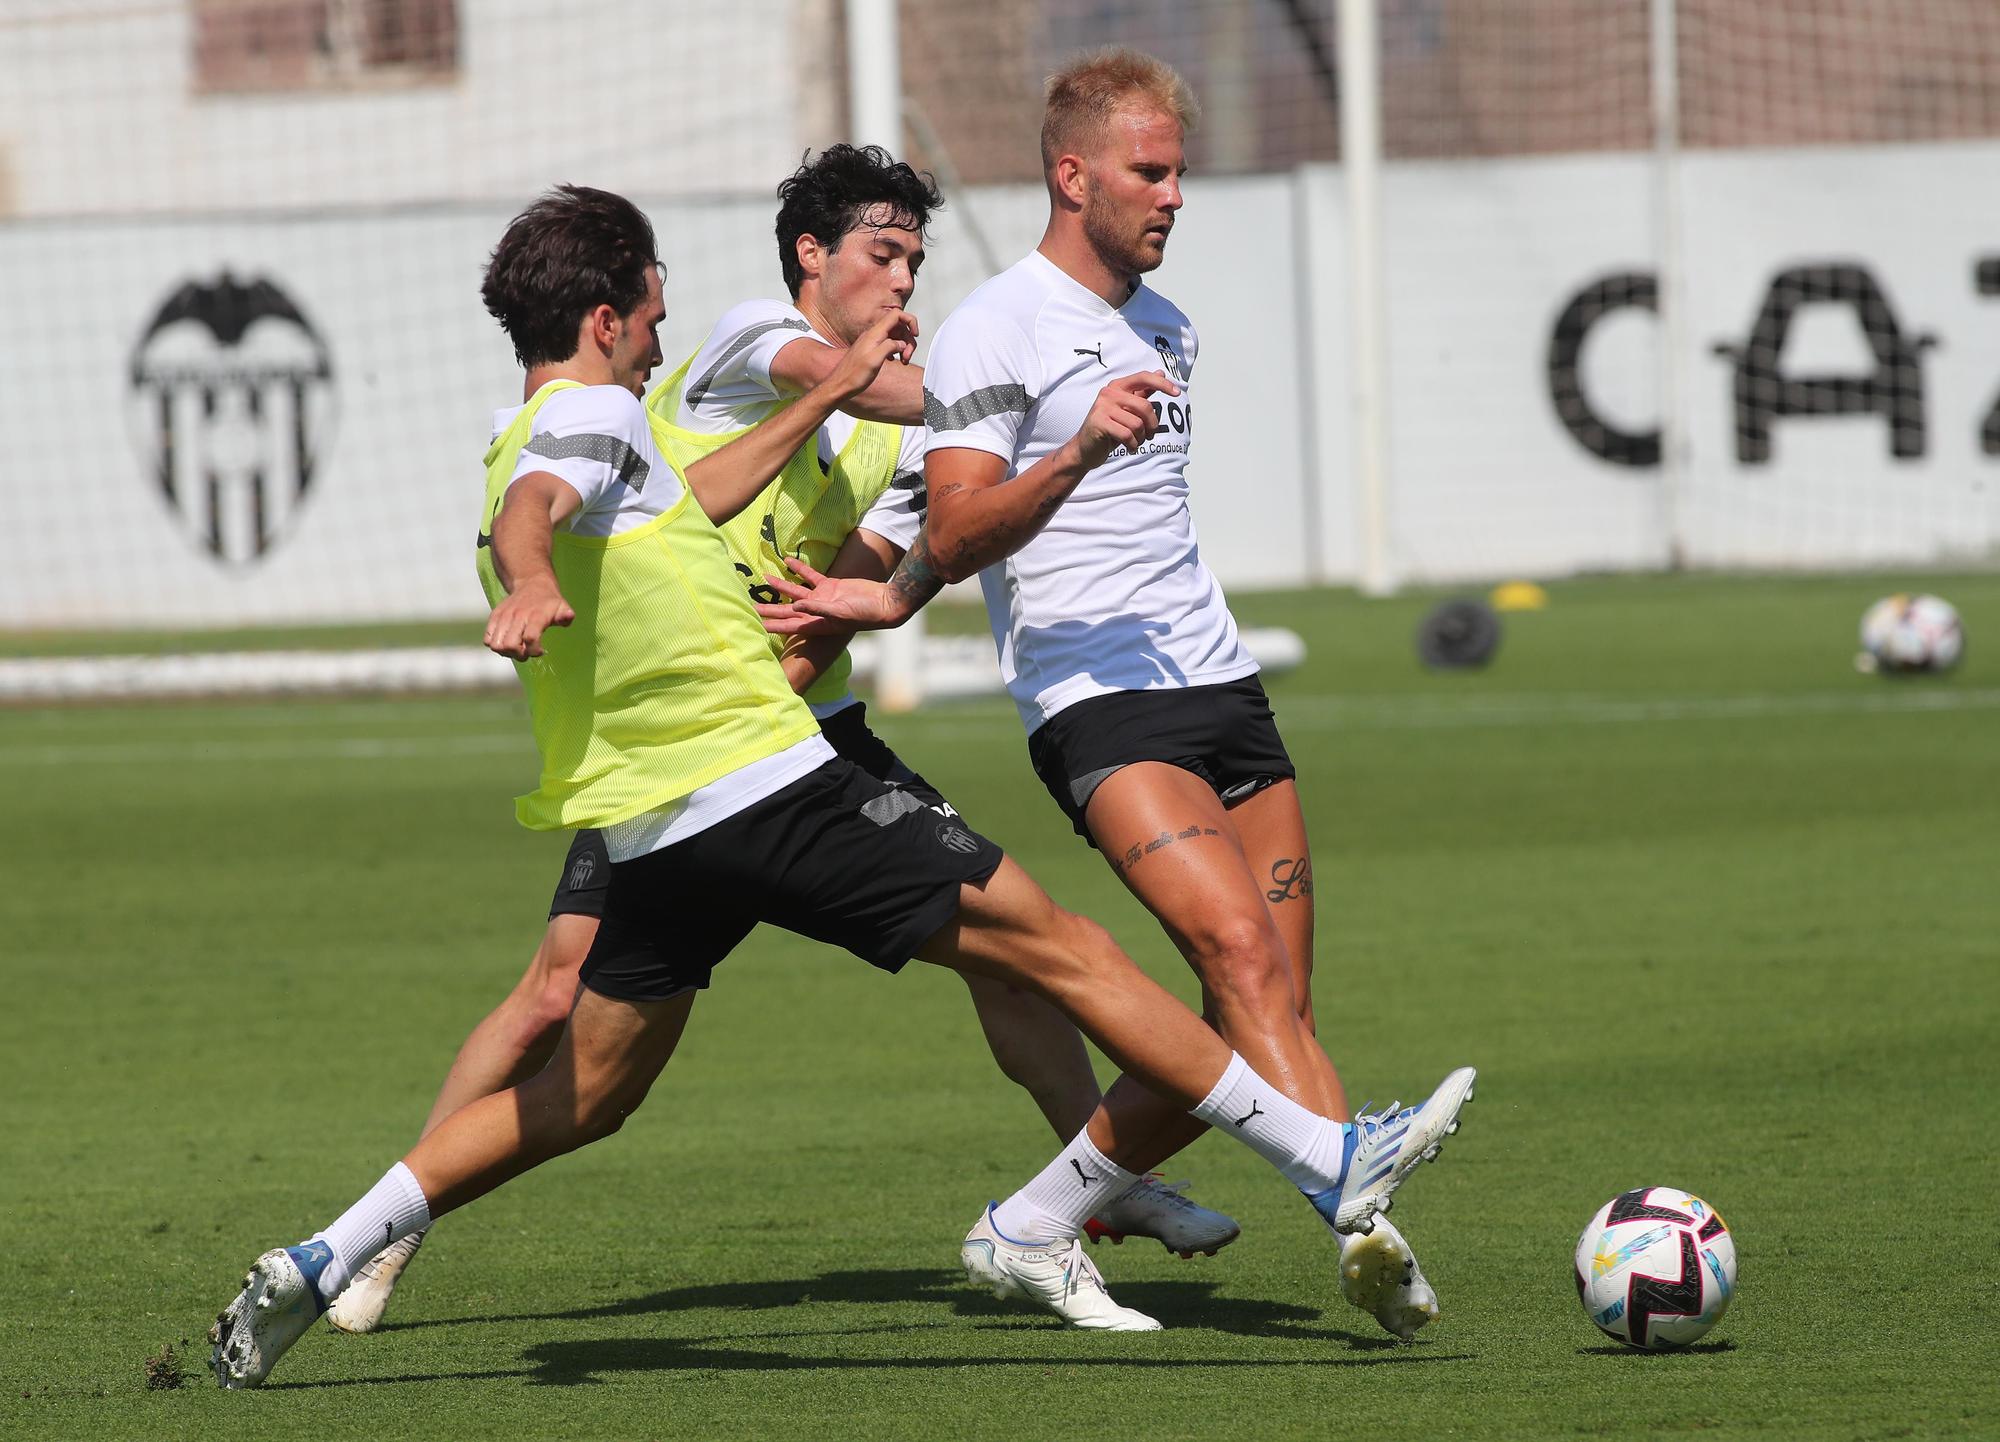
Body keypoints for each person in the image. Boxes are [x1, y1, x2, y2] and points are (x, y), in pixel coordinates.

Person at [208, 184, 1472, 1388]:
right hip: (761, 780)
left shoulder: (532, 433)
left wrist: (831, 404)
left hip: (657, 821)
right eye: (648, 314)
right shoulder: (586, 423)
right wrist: (529, 576)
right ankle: (1318, 1155)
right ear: (606, 321)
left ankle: (320, 1255)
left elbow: (665, 502)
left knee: (583, 1094)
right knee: (1064, 945)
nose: (657, 338)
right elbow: (535, 515)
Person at [322, 147, 1233, 1338]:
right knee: (554, 995)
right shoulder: (756, 339)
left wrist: (973, 466)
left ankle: (1098, 1184)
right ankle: (387, 1238)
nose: (900, 279)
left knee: (1011, 949)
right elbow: (851, 385)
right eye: (877, 254)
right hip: (681, 739)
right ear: (810, 256)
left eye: (913, 258)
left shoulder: (902, 423)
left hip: (801, 736)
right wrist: (1027, 382)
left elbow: (869, 572)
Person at [758, 48, 1453, 1340]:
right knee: (1236, 957)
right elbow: (961, 522)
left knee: (1265, 1007)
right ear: (1073, 175)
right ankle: (1359, 1205)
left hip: (1224, 686)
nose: (1174, 195)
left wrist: (891, 596)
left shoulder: (1168, 327)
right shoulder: (997, 326)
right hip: (1097, 703)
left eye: (1179, 172)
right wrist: (1073, 450)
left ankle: (1032, 1219)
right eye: (1150, 171)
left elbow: (932, 548)